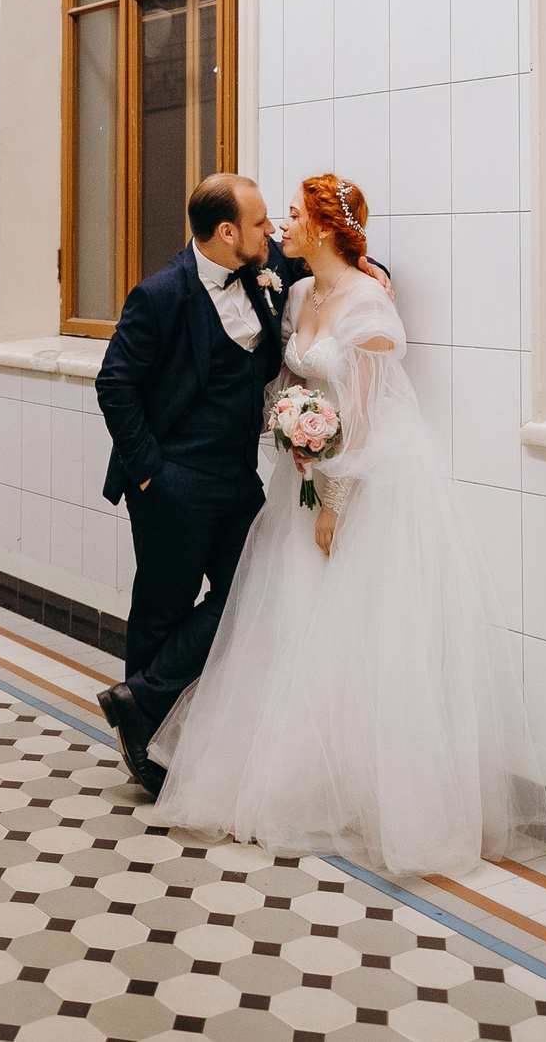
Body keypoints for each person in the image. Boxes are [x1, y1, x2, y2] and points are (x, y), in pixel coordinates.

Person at [141, 173, 546, 877]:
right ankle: (293, 772)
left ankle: (372, 791)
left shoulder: (368, 304)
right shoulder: (299, 293)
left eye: (295, 215)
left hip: (363, 479)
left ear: (327, 228)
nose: (281, 228)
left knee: (360, 631)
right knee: (289, 626)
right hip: (301, 470)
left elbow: (360, 414)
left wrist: (334, 495)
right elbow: (291, 381)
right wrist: (292, 434)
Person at [93, 173, 384, 797]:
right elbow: (113, 384)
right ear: (227, 234)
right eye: (258, 224)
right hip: (171, 481)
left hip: (240, 479)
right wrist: (149, 472)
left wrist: (373, 268)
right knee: (162, 608)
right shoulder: (161, 294)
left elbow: (333, 255)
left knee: (251, 597)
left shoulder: (261, 263)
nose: (272, 232)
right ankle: (142, 748)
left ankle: (138, 700)